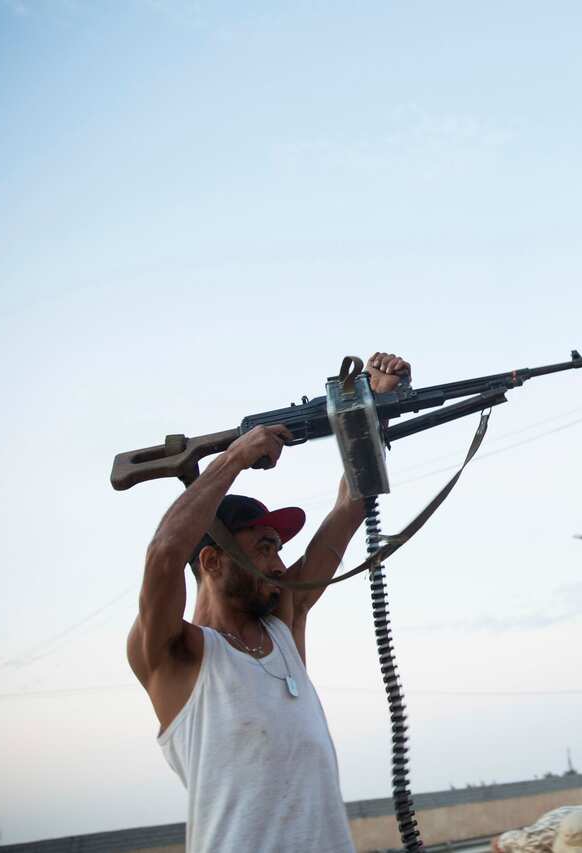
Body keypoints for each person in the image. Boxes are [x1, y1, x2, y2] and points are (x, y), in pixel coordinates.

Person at [125, 352, 412, 853]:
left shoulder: (285, 621)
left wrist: (373, 405)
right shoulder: (176, 654)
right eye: (263, 548)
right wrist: (234, 456)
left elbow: (352, 503)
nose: (280, 565)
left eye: (278, 548)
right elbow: (166, 553)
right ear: (213, 562)